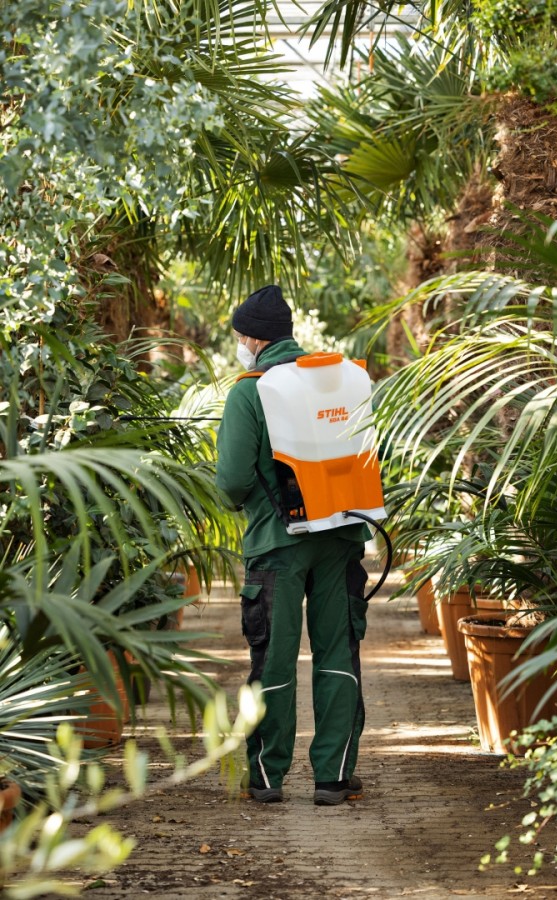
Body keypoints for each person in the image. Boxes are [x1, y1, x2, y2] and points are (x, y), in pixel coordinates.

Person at [216, 284, 372, 806]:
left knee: (275, 659)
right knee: (336, 653)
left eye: (239, 337)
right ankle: (333, 775)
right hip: (342, 536)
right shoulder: (338, 379)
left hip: (278, 544)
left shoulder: (249, 390)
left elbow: (234, 481)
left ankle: (268, 776)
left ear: (251, 339)